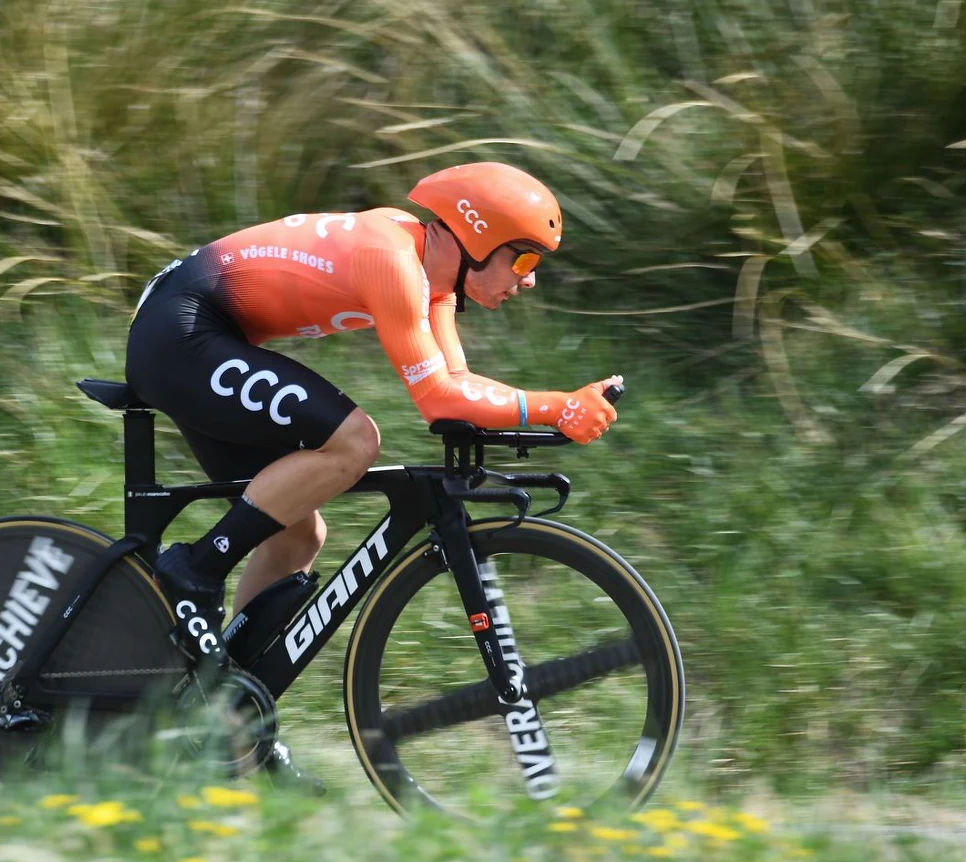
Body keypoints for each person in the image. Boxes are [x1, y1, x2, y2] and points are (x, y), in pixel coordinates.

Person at [125, 161, 620, 785]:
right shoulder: (392, 259)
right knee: (355, 441)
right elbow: (438, 401)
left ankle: (228, 716)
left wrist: (553, 410)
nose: (529, 279)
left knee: (297, 536)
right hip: (180, 332)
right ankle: (193, 569)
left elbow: (460, 387)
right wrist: (555, 406)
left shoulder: (434, 284)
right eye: (522, 259)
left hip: (200, 335)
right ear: (477, 237)